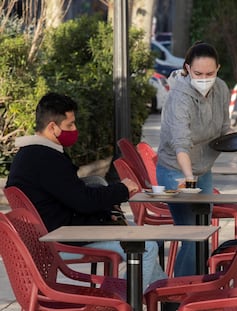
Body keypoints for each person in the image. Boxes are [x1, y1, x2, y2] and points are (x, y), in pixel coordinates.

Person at [6, 92, 167, 291]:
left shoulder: (30, 154)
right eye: (70, 125)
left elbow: (69, 197)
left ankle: (166, 298)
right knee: (146, 248)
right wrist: (122, 189)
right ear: (52, 127)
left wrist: (106, 215)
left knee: (143, 238)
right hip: (61, 242)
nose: (75, 130)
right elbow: (83, 201)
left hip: (58, 233)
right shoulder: (45, 159)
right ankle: (122, 302)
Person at [156, 42, 231, 277]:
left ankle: (197, 286)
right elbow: (181, 143)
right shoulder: (180, 96)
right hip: (175, 169)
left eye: (210, 73)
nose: (204, 78)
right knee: (192, 233)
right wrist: (188, 179)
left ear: (218, 69)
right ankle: (179, 294)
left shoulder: (221, 89)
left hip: (204, 168)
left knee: (203, 230)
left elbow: (225, 129)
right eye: (198, 74)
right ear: (187, 69)